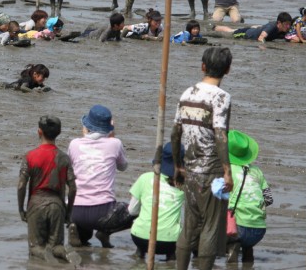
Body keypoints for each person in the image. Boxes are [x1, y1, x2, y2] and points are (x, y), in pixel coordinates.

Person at [171, 47, 234, 270]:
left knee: (189, 225)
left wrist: (178, 165)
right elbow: (220, 134)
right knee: (210, 226)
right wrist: (227, 171)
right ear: (227, 69)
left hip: (190, 168)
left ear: (203, 66)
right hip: (211, 171)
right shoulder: (221, 97)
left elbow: (175, 132)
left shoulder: (187, 93)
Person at [67, 105, 134, 248]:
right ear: (109, 127)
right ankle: (106, 231)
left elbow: (71, 168)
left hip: (75, 209)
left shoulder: (74, 144)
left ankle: (74, 227)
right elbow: (123, 166)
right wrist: (112, 136)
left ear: (86, 126)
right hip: (103, 211)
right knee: (136, 211)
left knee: (85, 236)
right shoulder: (115, 143)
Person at [17, 115, 79, 264]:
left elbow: (21, 185)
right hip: (57, 205)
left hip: (36, 203)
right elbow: (73, 188)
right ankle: (64, 252)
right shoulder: (64, 158)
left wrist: (21, 208)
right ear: (58, 133)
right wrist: (68, 211)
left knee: (35, 247)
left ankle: (45, 255)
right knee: (56, 245)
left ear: (39, 131)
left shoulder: (30, 156)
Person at [129, 142, 185, 261]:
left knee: (141, 229)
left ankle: (139, 253)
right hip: (170, 241)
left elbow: (132, 210)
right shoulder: (184, 185)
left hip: (140, 238)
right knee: (172, 251)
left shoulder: (145, 178)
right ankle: (171, 257)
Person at [225, 130, 273, 263]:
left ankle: (232, 251)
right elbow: (269, 199)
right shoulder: (257, 171)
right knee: (247, 247)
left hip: (238, 228)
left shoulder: (228, 171)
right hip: (259, 230)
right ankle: (248, 257)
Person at [214, 12, 292, 43]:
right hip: (246, 34)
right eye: (286, 24)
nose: (288, 26)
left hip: (253, 30)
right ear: (279, 23)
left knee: (232, 30)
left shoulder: (283, 30)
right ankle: (215, 28)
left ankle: (215, 27)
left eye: (289, 24)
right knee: (230, 33)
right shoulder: (272, 26)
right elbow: (261, 38)